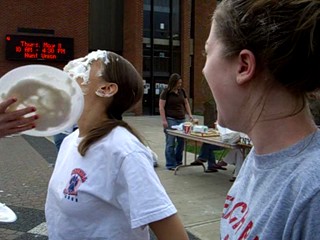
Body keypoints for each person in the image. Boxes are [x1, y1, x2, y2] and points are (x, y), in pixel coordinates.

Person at [203, 0, 320, 239]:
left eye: (207, 52)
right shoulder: (261, 157)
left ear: (244, 66)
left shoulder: (312, 193)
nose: (204, 70)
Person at [45, 50, 189, 240]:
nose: (74, 68)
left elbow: (174, 235)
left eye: (85, 66)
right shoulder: (70, 140)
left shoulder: (124, 151)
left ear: (106, 89)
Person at [159, 73, 193, 170]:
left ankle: (178, 161)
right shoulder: (166, 92)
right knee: (171, 142)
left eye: (181, 83)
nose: (180, 85)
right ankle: (170, 164)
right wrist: (164, 120)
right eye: (178, 83)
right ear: (173, 82)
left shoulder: (182, 91)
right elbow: (161, 106)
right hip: (171, 119)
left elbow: (186, 103)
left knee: (181, 142)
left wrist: (190, 115)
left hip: (181, 119)